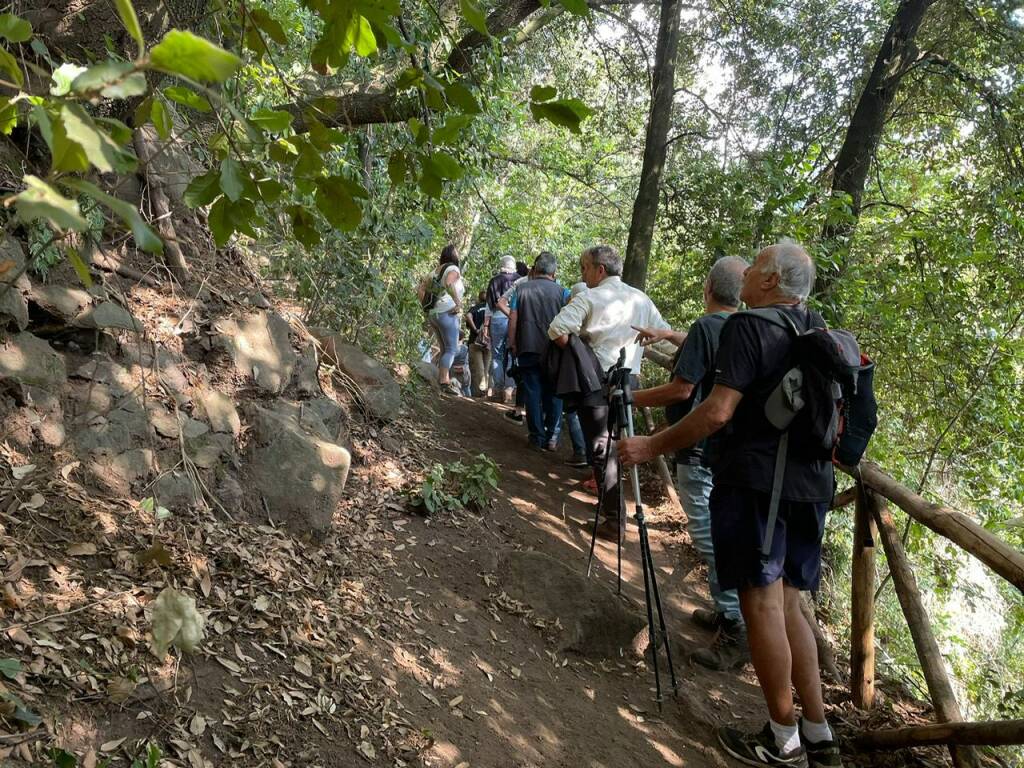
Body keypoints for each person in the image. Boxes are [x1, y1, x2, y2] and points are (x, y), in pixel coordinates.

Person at [618, 240, 841, 768]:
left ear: (770, 282)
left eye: (757, 265)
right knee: (791, 607)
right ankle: (819, 734)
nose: (747, 271)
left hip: (759, 486)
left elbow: (717, 412)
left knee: (761, 603)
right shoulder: (815, 329)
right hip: (812, 488)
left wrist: (650, 445)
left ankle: (782, 740)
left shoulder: (749, 326)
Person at [632, 256, 749, 671]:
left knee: (708, 535)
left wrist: (630, 398)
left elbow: (681, 391)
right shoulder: (743, 326)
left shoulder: (707, 327)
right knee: (718, 531)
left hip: (698, 447)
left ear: (707, 287)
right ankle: (727, 608)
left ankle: (736, 624)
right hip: (728, 450)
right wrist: (666, 333)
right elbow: (707, 338)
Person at [548, 244, 671, 542]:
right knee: (616, 445)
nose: (583, 274)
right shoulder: (641, 298)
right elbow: (665, 336)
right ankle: (616, 514)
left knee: (603, 450)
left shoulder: (590, 296)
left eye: (584, 268)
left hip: (597, 383)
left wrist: (583, 353)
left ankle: (615, 520)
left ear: (600, 269)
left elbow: (557, 329)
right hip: (631, 383)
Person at [508, 252, 570, 450]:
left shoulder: (520, 290)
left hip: (527, 346)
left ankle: (536, 436)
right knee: (554, 393)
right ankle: (552, 437)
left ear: (534, 269)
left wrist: (513, 343)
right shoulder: (564, 293)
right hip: (555, 351)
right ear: (554, 272)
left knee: (532, 391)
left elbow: (513, 319)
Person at [418, 244, 465, 394]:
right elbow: (449, 283)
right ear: (453, 256)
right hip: (447, 312)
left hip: (434, 314)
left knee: (444, 348)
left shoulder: (434, 271)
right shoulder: (453, 269)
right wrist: (458, 303)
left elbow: (420, 289)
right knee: (452, 349)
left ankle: (441, 379)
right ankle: (444, 381)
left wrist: (426, 307)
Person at [481, 257, 523, 403]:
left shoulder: (494, 280)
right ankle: (509, 389)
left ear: (501, 266)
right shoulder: (521, 280)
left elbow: (489, 307)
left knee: (497, 355)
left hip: (498, 319)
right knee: (512, 354)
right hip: (515, 318)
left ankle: (498, 389)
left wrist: (486, 326)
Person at [466, 290, 491, 397]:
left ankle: (481, 392)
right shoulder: (492, 308)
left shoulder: (475, 308)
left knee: (479, 368)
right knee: (486, 368)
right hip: (489, 341)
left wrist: (475, 329)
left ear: (479, 298)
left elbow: (468, 316)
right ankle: (485, 391)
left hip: (475, 341)